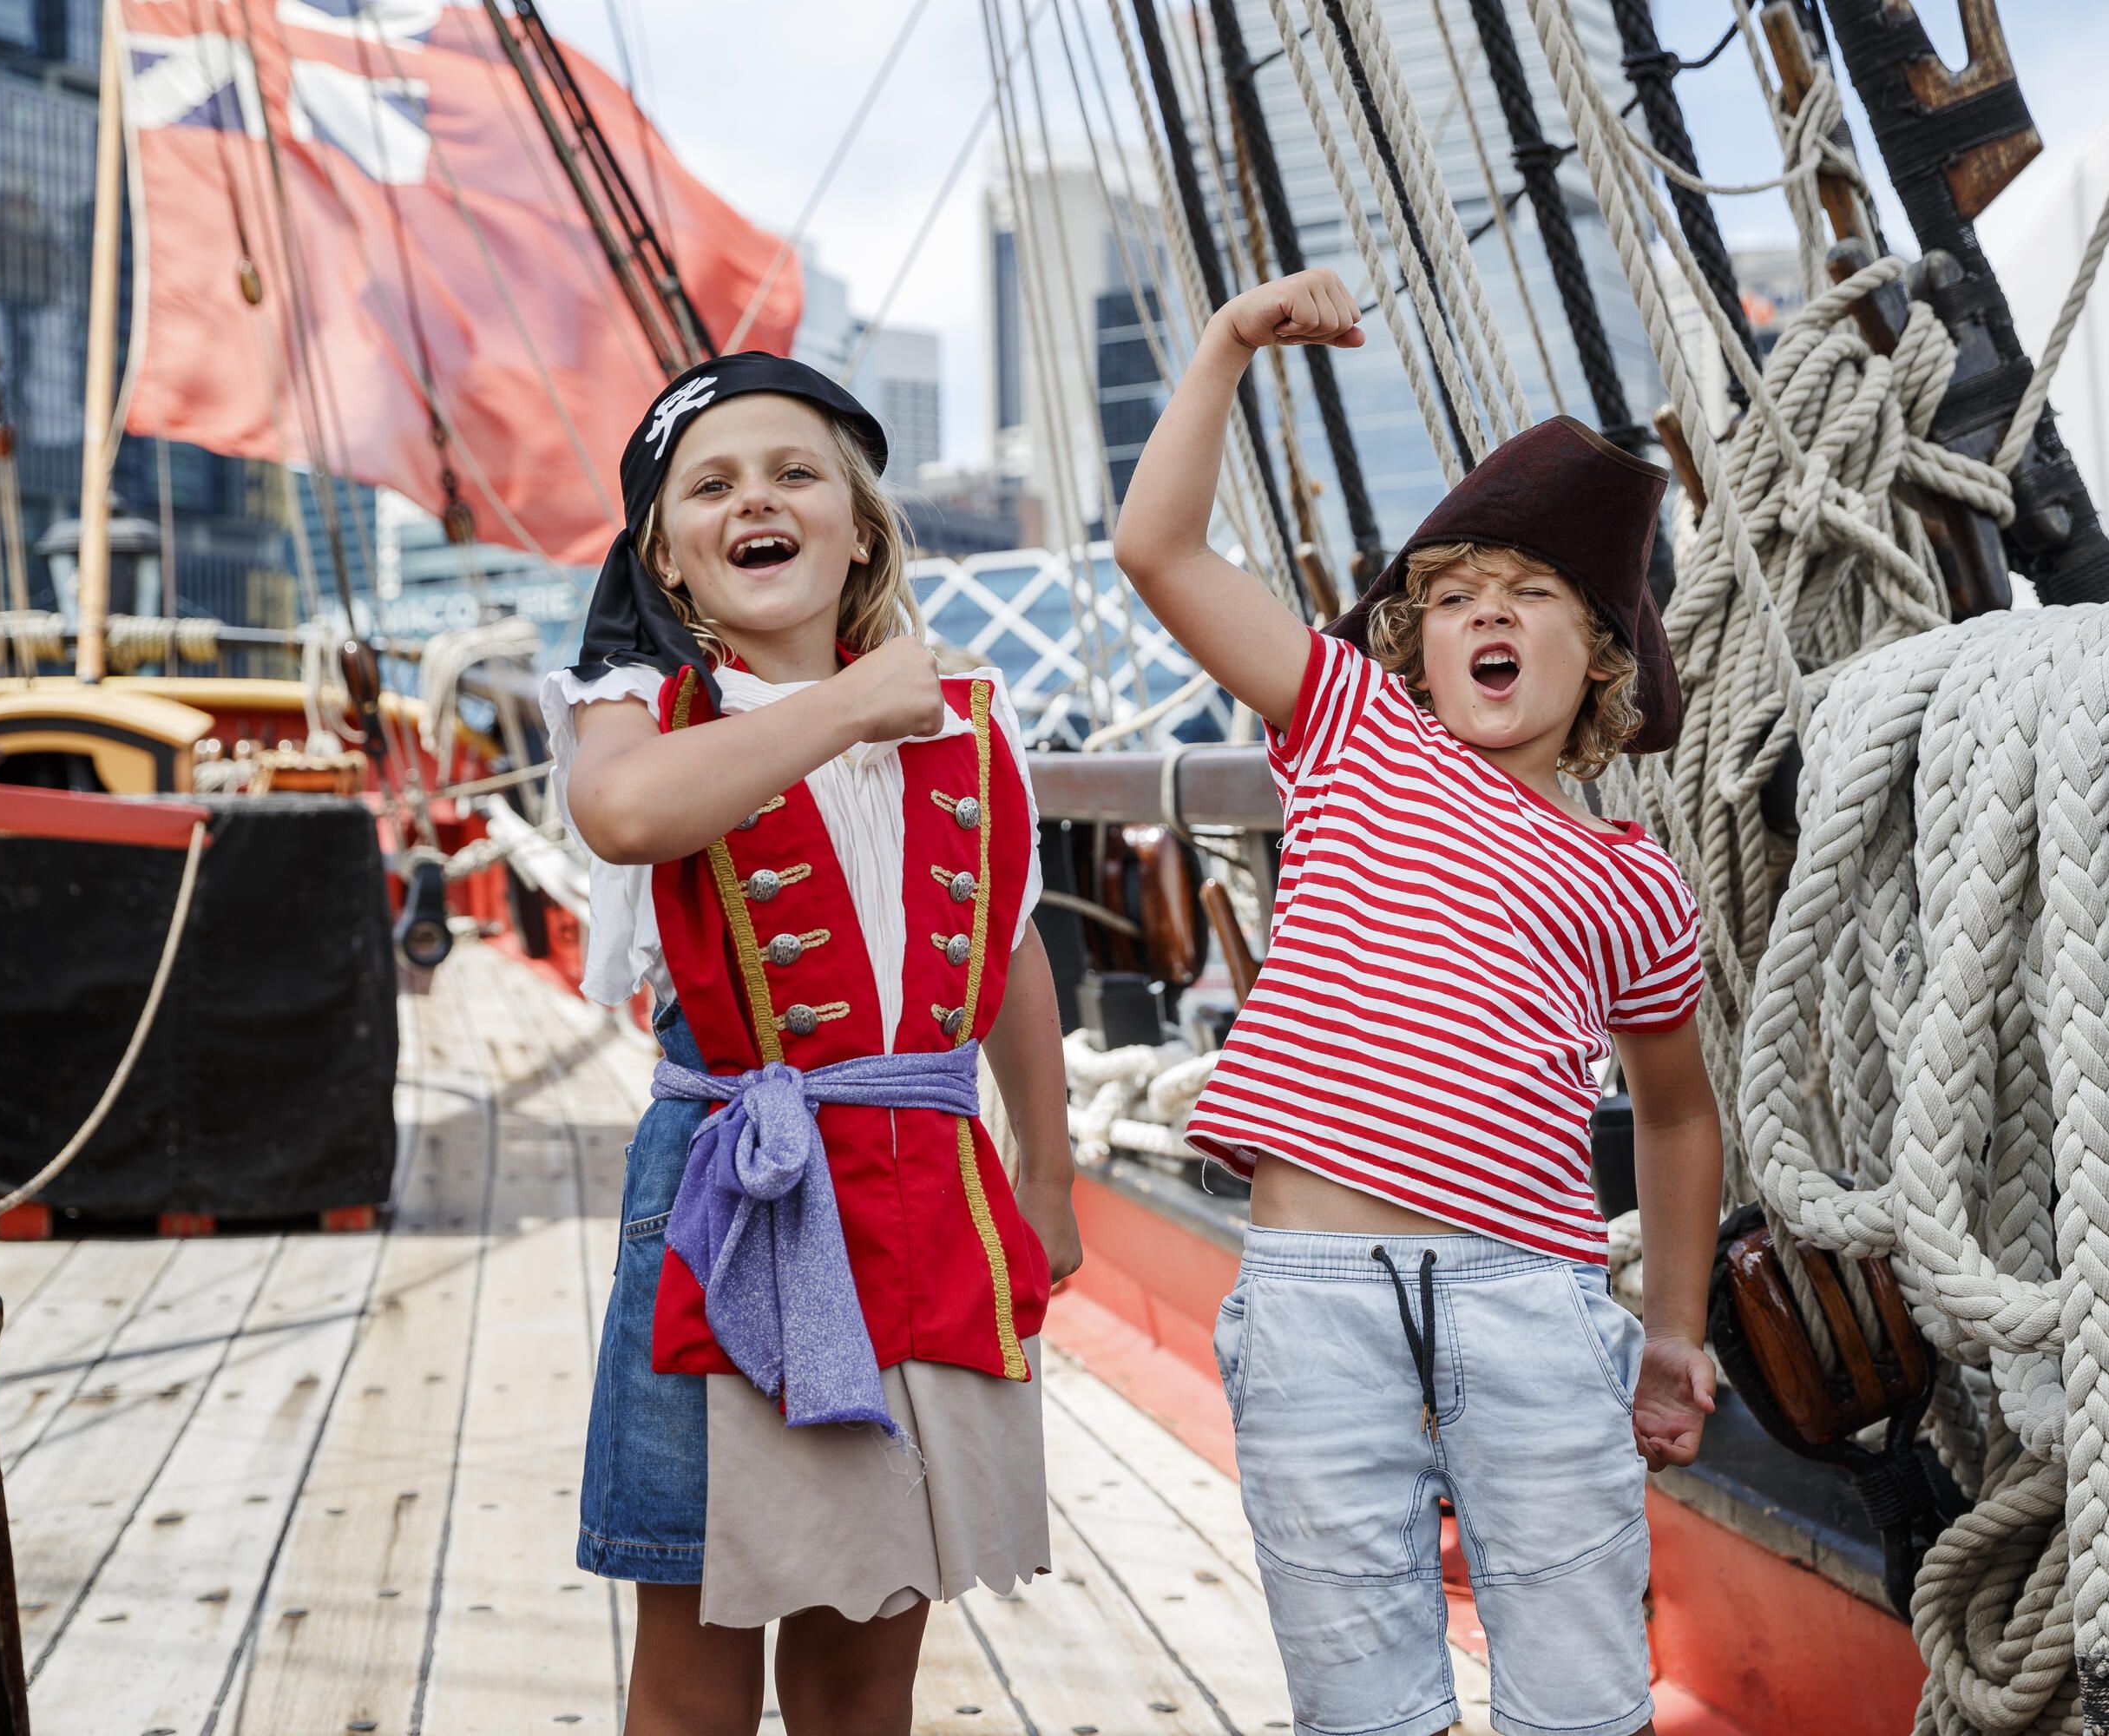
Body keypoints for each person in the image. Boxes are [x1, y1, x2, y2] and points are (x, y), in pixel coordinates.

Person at [1113, 269, 1724, 1736]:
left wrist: (1674, 1332)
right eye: (1454, 600)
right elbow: (1159, 546)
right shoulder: (1350, 728)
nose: (1483, 618)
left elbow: (1680, 1115)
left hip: (1533, 1301)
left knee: (1581, 1690)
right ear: (1418, 646)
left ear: (1607, 667)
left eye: (1529, 601)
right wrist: (1227, 347)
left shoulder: (1635, 880)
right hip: (1318, 1302)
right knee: (1362, 1702)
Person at [545, 353, 1083, 1736]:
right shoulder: (638, 710)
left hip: (921, 1186)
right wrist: (844, 705)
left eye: (794, 473)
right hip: (738, 1191)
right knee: (698, 1645)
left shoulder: (971, 730)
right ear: (665, 553)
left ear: (861, 524)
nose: (754, 502)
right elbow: (624, 815)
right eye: (708, 486)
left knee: (868, 1636)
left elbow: (1011, 953)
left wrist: (1049, 1179)